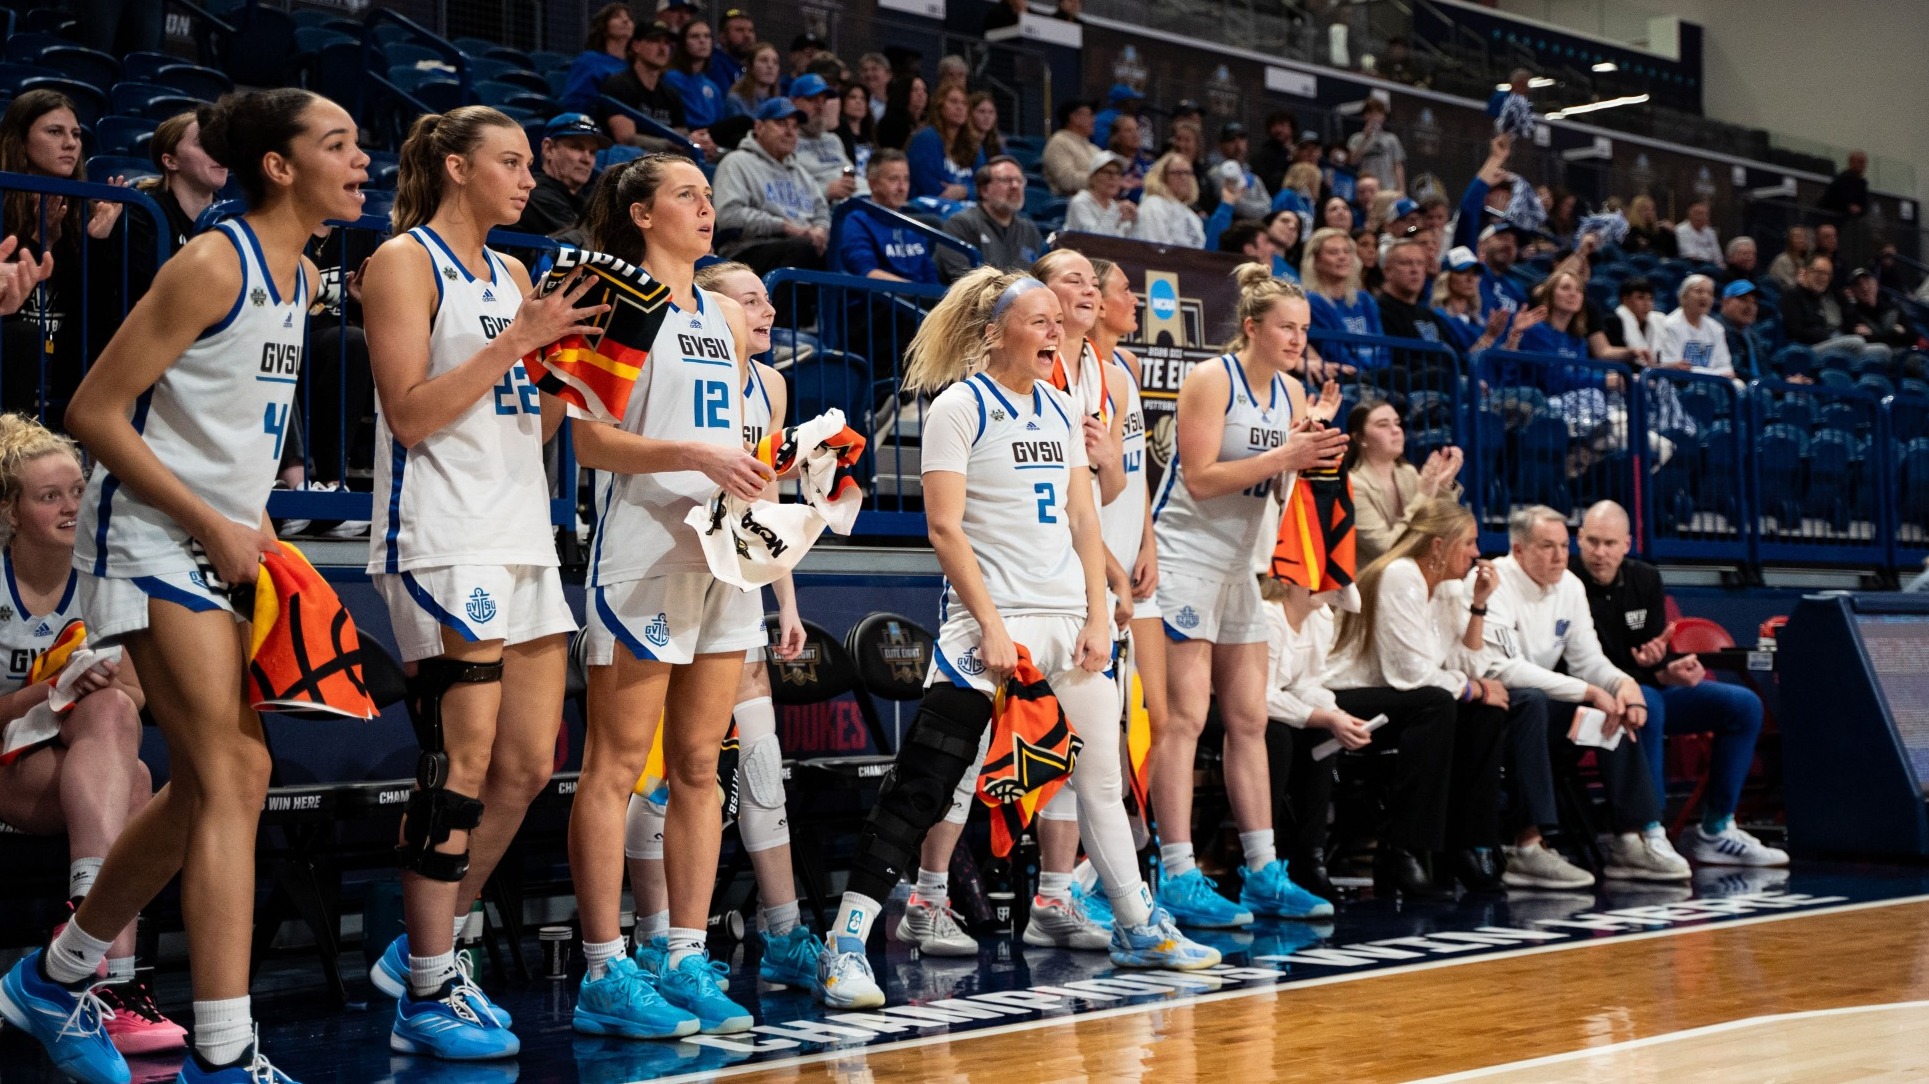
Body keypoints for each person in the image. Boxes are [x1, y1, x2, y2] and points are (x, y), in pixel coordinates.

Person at [0, 88, 364, 1084]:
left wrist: (245, 524)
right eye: (337, 143)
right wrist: (208, 518)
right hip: (154, 536)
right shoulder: (216, 258)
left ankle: (56, 973)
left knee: (212, 780)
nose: (360, 158)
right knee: (237, 774)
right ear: (279, 166)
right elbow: (95, 409)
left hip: (215, 543)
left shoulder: (303, 272)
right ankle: (224, 1049)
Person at [812, 268, 1220, 1010]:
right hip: (988, 625)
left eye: (1056, 323)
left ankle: (1134, 923)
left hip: (1068, 619)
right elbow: (942, 528)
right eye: (1039, 322)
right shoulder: (958, 407)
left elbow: (1084, 519)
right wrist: (993, 626)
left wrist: (1098, 615)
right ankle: (846, 943)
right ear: (996, 332)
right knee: (927, 785)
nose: (1055, 332)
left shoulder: (1063, 407)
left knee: (1099, 779)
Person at [359, 105, 591, 1061]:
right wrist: (515, 343)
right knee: (458, 764)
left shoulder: (514, 272)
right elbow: (410, 415)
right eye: (510, 161)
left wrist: (563, 370)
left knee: (529, 764)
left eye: (531, 163)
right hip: (442, 535)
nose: (528, 176)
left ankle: (429, 950)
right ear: (456, 167)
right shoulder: (402, 262)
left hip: (520, 533)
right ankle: (424, 987)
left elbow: (525, 429)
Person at [570, 153, 773, 1036]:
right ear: (642, 213)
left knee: (700, 765)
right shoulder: (618, 298)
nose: (705, 205)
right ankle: (604, 970)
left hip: (722, 559)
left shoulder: (723, 314)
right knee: (615, 768)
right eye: (686, 194)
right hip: (643, 556)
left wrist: (771, 472)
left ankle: (683, 955)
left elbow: (725, 437)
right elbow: (588, 443)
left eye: (705, 193)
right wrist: (695, 456)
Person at [620, 259, 825, 992]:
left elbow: (764, 505)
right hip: (656, 572)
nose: (764, 310)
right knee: (657, 777)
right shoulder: (673, 359)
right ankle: (652, 940)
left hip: (738, 583)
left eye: (766, 298)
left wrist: (787, 603)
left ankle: (782, 930)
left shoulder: (769, 385)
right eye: (747, 299)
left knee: (751, 770)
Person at [1149, 265, 1347, 927]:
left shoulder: (1291, 392)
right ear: (1253, 327)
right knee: (1182, 720)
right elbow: (1202, 480)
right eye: (1287, 327)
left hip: (1240, 570)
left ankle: (1262, 871)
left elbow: (1286, 487)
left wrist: (1316, 444)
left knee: (1250, 720)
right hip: (1182, 559)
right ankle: (1176, 873)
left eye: (1304, 330)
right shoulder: (1211, 380)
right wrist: (1286, 456)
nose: (1298, 339)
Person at [0, 414, 184, 1058]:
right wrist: (46, 693)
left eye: (78, 490)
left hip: (69, 763)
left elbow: (134, 697)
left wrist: (90, 684)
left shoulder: (103, 572)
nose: (71, 506)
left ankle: (104, 975)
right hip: (3, 764)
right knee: (122, 762)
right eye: (49, 496)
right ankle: (101, 965)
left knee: (126, 756)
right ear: (11, 512)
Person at [1474, 506, 1689, 887]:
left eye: (1562, 545)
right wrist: (1588, 691)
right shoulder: (1493, 582)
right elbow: (1503, 669)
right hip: (1489, 711)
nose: (1559, 556)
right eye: (1546, 547)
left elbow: (1588, 659)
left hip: (1540, 708)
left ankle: (1627, 840)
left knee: (1613, 707)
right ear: (1518, 550)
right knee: (1536, 701)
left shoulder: (1569, 586)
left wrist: (1623, 685)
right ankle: (1528, 849)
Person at [1573, 501, 1787, 867]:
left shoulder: (1645, 579)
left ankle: (1717, 830)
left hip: (1646, 690)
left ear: (1627, 544)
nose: (1600, 552)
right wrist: (1642, 678)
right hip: (1591, 699)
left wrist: (1668, 668)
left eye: (1609, 544)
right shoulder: (1567, 582)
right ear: (1579, 539)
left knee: (1743, 705)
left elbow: (1654, 662)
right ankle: (1649, 831)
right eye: (1592, 542)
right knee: (1649, 704)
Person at [1322, 499, 1510, 897]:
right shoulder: (1400, 575)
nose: (1478, 554)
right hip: (1341, 697)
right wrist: (1473, 689)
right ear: (1438, 546)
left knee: (1484, 715)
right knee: (1439, 704)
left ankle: (1461, 846)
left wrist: (1478, 605)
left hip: (1395, 701)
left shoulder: (1443, 588)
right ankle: (1402, 850)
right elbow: (1410, 675)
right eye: (1469, 543)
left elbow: (1466, 663)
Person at [0, 90, 127, 426]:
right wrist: (39, 243)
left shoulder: (82, 213)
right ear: (20, 140)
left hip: (61, 355)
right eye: (54, 132)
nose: (70, 143)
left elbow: (94, 315)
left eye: (75, 134)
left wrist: (96, 242)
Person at [1260, 574, 1367, 902]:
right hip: (1226, 705)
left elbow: (1309, 684)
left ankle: (1310, 856)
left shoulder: (1319, 616)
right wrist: (1327, 717)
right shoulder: (1268, 615)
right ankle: (1266, 858)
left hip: (1278, 705)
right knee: (1278, 736)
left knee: (1321, 735)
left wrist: (1337, 716)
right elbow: (1259, 696)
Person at [713, 99, 831, 276]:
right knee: (802, 250)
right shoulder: (736, 162)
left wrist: (820, 230)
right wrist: (785, 227)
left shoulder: (801, 173)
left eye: (795, 126)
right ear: (759, 127)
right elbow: (729, 215)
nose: (790, 132)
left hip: (799, 247)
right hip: (746, 252)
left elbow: (821, 211)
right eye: (781, 123)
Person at [1343, 400, 1462, 567]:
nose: (1396, 430)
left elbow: (1442, 528)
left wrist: (1442, 485)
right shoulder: (1353, 485)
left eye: (1397, 423)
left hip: (1413, 573)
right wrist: (1424, 495)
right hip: (1372, 583)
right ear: (1359, 438)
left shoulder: (1407, 473)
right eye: (1383, 425)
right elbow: (1386, 549)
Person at [127, 108, 226, 261]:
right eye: (204, 143)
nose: (220, 151)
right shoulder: (143, 215)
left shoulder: (231, 216)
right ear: (170, 161)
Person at [600, 20, 704, 154]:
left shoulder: (671, 94)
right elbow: (626, 138)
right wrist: (670, 143)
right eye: (655, 41)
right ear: (636, 46)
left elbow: (681, 132)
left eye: (667, 43)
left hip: (662, 162)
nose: (663, 48)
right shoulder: (618, 85)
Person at [939, 157, 1042, 280]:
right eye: (1005, 180)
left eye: (1019, 180)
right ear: (984, 190)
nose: (1015, 186)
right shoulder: (960, 225)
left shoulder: (1029, 230)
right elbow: (962, 281)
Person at [1301, 225, 1384, 373]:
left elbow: (1382, 345)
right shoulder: (1311, 301)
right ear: (1316, 261)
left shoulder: (1365, 299)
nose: (1342, 257)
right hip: (1345, 375)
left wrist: (1381, 372)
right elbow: (1333, 350)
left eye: (1347, 251)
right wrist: (1362, 373)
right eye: (1333, 252)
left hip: (1377, 374)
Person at [1781, 255, 1892, 365]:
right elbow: (1797, 331)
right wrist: (1828, 336)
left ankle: (1846, 369)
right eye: (1819, 272)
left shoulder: (1827, 296)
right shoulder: (1792, 295)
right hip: (1807, 348)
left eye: (1827, 274)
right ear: (1805, 272)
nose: (1823, 278)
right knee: (1856, 342)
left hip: (1836, 341)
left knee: (1883, 350)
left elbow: (1849, 319)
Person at [515, 113, 611, 236]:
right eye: (577, 147)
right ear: (548, 149)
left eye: (592, 152)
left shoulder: (583, 199)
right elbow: (587, 242)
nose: (587, 160)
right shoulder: (535, 193)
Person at [787, 74, 860, 204]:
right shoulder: (786, 142)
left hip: (859, 199)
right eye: (812, 100)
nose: (820, 107)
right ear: (793, 103)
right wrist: (826, 191)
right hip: (825, 208)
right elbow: (785, 193)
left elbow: (852, 176)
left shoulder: (833, 140)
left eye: (823, 101)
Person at [907, 84, 977, 202]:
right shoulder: (926, 139)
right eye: (953, 102)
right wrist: (961, 192)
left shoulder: (973, 143)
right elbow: (928, 184)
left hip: (967, 210)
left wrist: (964, 191)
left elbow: (985, 184)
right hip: (929, 209)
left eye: (964, 103)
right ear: (940, 106)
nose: (960, 107)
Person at [562, 2, 636, 113]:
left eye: (629, 18)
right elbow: (574, 103)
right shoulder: (589, 60)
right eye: (616, 16)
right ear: (604, 27)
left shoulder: (636, 66)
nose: (625, 21)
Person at [1653, 274, 1731, 376]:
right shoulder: (1669, 325)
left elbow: (1726, 367)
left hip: (1712, 384)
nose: (1705, 297)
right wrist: (1715, 374)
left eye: (1710, 293)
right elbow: (1675, 366)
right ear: (1684, 296)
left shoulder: (1716, 328)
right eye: (1699, 291)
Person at [664, 19, 728, 133]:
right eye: (695, 36)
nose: (702, 41)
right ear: (683, 43)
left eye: (707, 36)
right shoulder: (671, 78)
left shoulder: (713, 87)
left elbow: (720, 122)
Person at [1134, 153, 1205, 250]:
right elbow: (1154, 247)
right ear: (1163, 176)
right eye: (1178, 173)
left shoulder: (1194, 218)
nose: (1184, 178)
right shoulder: (1154, 205)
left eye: (1188, 173)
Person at [1064, 149, 1136, 238]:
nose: (1114, 178)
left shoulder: (1114, 206)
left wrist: (1133, 221)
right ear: (1092, 177)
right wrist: (1114, 212)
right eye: (1108, 172)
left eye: (1118, 173)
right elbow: (1096, 242)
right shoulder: (1080, 202)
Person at [1845, 267, 1914, 352]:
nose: (1865, 288)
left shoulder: (1893, 306)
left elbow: (1912, 336)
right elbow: (1863, 342)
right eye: (1858, 285)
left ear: (1875, 284)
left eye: (1867, 281)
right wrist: (1895, 331)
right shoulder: (1851, 314)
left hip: (1901, 353)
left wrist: (1874, 334)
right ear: (1853, 291)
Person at [1347, 97, 1405, 192]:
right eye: (1370, 113)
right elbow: (1353, 161)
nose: (1374, 117)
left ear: (1383, 116)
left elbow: (1398, 166)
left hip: (1388, 188)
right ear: (1365, 116)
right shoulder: (1356, 138)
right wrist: (1365, 138)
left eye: (1378, 113)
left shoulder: (1391, 138)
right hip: (1367, 189)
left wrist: (1401, 190)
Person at [1044, 100, 1098, 197]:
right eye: (1090, 115)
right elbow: (1066, 180)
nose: (1094, 119)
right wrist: (1100, 181)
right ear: (1074, 117)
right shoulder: (1059, 142)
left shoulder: (1094, 149)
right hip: (1068, 205)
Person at [1608, 277, 1667, 362]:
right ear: (1625, 300)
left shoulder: (1657, 322)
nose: (1647, 304)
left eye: (1650, 299)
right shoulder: (1613, 322)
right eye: (1641, 298)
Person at [1719, 281, 1768, 380]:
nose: (1750, 307)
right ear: (1725, 302)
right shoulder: (1716, 330)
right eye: (1743, 300)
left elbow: (1765, 370)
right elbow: (1733, 368)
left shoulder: (1753, 336)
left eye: (1754, 302)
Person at [723, 41, 782, 119]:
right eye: (763, 60)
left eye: (775, 62)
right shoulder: (735, 101)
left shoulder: (781, 103)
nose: (770, 66)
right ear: (750, 66)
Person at [874, 73, 926, 152]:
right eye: (915, 90)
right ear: (904, 92)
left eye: (924, 90)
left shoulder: (927, 120)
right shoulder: (891, 122)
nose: (921, 94)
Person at [834, 80, 876, 176]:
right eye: (852, 97)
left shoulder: (871, 137)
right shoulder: (836, 138)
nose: (859, 101)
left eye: (863, 98)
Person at [707, 6, 755, 88]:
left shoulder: (754, 66)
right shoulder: (713, 63)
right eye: (739, 30)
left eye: (750, 30)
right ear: (722, 37)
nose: (747, 35)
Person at [1819, 150, 1869, 220]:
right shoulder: (1841, 179)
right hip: (1831, 217)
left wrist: (1859, 209)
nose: (1862, 166)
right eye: (1859, 162)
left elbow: (1864, 206)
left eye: (1863, 163)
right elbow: (1831, 200)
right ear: (1851, 162)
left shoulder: (1862, 183)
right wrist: (1848, 207)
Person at [1674, 200, 1720, 264]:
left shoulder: (1711, 232)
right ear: (1689, 214)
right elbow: (1690, 256)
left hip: (1711, 265)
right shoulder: (1681, 230)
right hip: (1692, 265)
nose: (1700, 217)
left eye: (1704, 214)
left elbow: (1718, 256)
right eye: (1697, 213)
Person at [1767, 226, 1810, 291]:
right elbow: (1785, 284)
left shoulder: (1804, 262)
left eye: (1804, 237)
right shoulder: (1782, 260)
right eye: (1798, 237)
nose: (1801, 240)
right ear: (1790, 240)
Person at [855, 52, 890, 123]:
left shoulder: (895, 103)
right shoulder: (857, 103)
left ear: (888, 75)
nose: (869, 74)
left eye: (874, 69)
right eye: (864, 70)